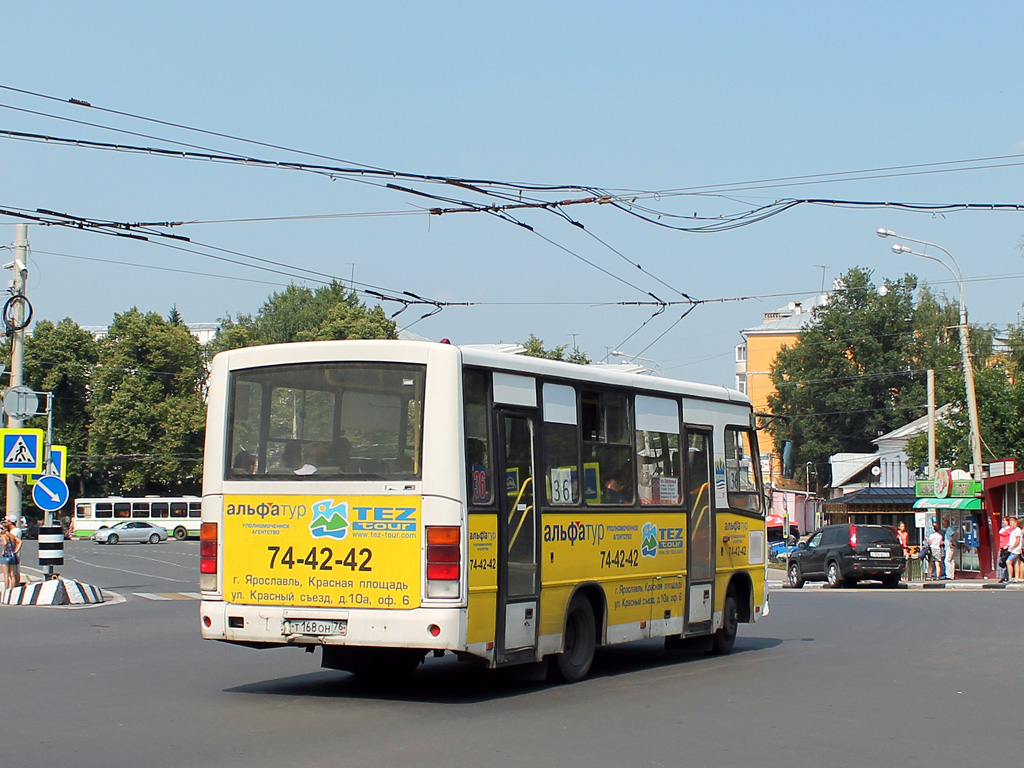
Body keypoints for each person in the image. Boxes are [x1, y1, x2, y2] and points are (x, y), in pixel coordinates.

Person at [0, 521, 21, 590]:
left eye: (1, 528)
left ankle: (6, 589)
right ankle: (13, 588)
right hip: (12, 556)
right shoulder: (11, 536)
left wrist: (4, 550)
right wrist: (15, 551)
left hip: (6, 556)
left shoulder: (3, 536)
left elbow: (5, 543)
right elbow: (20, 542)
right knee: (12, 574)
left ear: (5, 529)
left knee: (6, 575)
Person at [996, 516, 1014, 583]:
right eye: (1003, 520)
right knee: (1001, 562)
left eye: (1005, 521)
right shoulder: (1003, 528)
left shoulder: (1010, 529)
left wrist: (1008, 545)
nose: (1003, 522)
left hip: (1006, 547)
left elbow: (1011, 538)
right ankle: (1002, 576)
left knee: (1005, 561)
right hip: (1001, 546)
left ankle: (1006, 577)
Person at [1008, 517, 1024, 583]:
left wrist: (1013, 547)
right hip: (1015, 549)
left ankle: (1010, 577)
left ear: (1016, 523)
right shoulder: (1014, 530)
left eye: (1011, 522)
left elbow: (1018, 540)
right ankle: (1017, 577)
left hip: (1016, 549)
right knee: (1017, 562)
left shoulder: (1017, 530)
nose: (1010, 524)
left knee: (1008, 562)